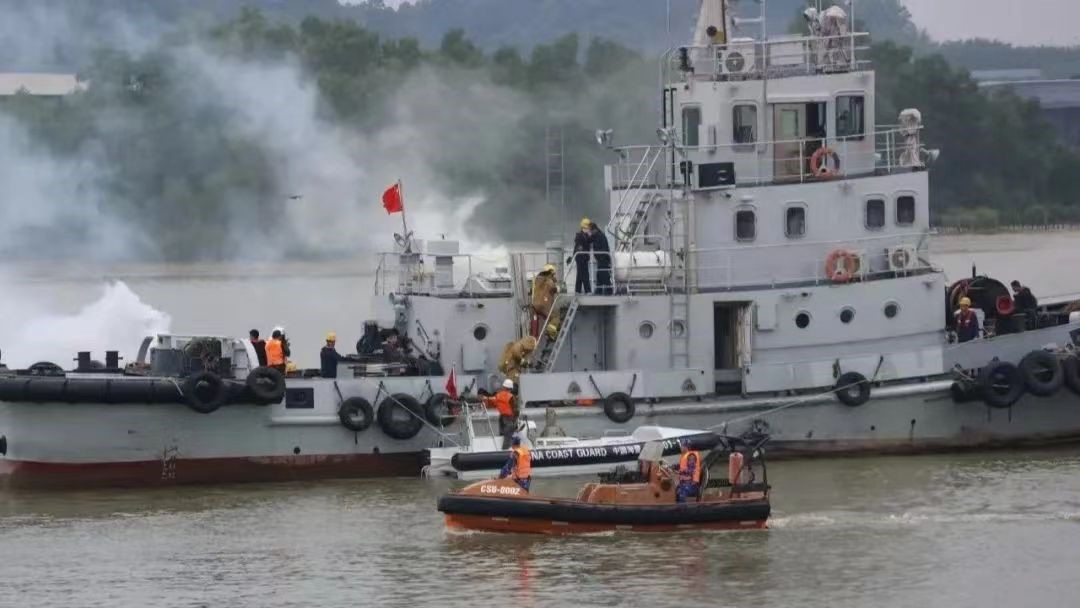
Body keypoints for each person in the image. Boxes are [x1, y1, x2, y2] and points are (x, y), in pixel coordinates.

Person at [485, 378, 519, 449]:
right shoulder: (510, 397)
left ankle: (499, 450)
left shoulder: (498, 395)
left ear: (503, 387)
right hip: (509, 419)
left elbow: (492, 403)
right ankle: (505, 451)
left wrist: (485, 399)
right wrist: (515, 420)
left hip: (501, 418)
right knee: (507, 437)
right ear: (511, 388)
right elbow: (515, 409)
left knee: (502, 436)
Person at [531, 264, 561, 339]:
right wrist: (558, 288)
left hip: (534, 305)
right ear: (551, 273)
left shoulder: (537, 280)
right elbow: (554, 289)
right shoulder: (549, 281)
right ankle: (550, 333)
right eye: (554, 274)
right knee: (555, 316)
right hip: (543, 305)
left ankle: (535, 335)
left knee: (544, 317)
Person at [674, 439, 702, 503]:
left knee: (681, 492)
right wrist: (672, 467)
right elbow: (680, 466)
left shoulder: (692, 457)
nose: (680, 447)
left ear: (686, 447)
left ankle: (682, 508)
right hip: (686, 483)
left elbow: (691, 470)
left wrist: (680, 472)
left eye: (682, 445)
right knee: (675, 490)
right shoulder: (685, 456)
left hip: (692, 485)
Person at [588, 221, 612, 295]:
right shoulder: (595, 235)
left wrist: (601, 256)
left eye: (591, 231)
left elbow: (605, 248)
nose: (590, 232)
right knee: (600, 274)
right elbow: (589, 240)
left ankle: (607, 290)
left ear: (594, 229)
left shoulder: (601, 236)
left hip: (604, 258)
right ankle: (600, 290)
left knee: (603, 274)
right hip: (600, 259)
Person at [571, 218, 593, 294]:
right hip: (580, 258)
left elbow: (589, 242)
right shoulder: (579, 236)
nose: (588, 229)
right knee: (585, 274)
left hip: (584, 258)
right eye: (587, 228)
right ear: (583, 227)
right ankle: (588, 290)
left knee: (580, 275)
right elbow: (578, 247)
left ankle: (577, 290)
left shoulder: (586, 235)